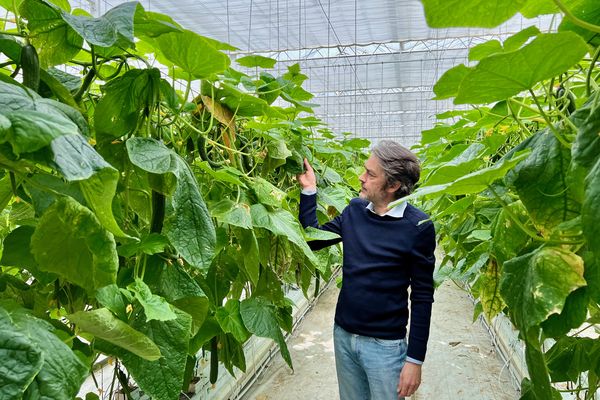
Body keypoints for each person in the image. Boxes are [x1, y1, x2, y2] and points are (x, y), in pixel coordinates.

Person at [297, 140, 436, 400]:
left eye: (370, 174)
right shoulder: (355, 211)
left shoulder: (418, 227)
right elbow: (313, 240)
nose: (361, 178)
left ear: (393, 185)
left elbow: (422, 296)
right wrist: (309, 190)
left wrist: (415, 360)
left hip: (385, 347)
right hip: (344, 336)